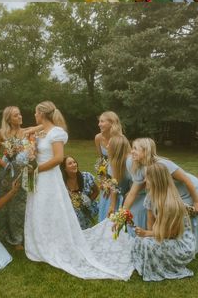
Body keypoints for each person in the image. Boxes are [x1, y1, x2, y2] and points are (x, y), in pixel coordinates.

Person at [24, 101, 133, 279]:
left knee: (50, 209)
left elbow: (59, 158)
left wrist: (36, 169)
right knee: (39, 209)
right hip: (37, 176)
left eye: (36, 113)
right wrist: (30, 149)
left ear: (42, 114)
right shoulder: (41, 131)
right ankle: (42, 243)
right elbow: (35, 132)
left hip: (47, 176)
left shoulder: (56, 133)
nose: (34, 116)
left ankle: (55, 244)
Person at [124, 138, 198, 253]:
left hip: (189, 189)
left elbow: (187, 181)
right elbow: (133, 193)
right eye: (132, 148)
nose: (131, 151)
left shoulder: (163, 165)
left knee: (181, 219)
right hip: (168, 192)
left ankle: (183, 248)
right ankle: (160, 243)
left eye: (135, 149)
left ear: (146, 151)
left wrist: (196, 202)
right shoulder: (139, 168)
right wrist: (122, 213)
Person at [130, 162, 196, 282]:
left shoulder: (171, 204)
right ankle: (146, 264)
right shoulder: (150, 197)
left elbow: (172, 234)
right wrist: (148, 234)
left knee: (147, 243)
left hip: (179, 243)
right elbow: (151, 225)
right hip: (163, 235)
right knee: (140, 240)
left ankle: (161, 267)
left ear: (156, 181)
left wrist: (147, 234)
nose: (145, 180)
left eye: (147, 178)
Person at [0, 106, 27, 250]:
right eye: (15, 115)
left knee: (19, 204)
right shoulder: (2, 133)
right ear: (9, 119)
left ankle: (18, 239)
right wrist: (4, 164)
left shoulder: (25, 132)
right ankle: (3, 236)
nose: (19, 117)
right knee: (5, 202)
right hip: (5, 172)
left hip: (20, 171)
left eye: (19, 114)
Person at [60, 155, 99, 229]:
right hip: (72, 213)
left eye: (74, 162)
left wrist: (89, 200)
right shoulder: (62, 183)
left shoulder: (86, 176)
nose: (74, 165)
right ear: (64, 168)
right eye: (70, 163)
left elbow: (96, 191)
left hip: (89, 209)